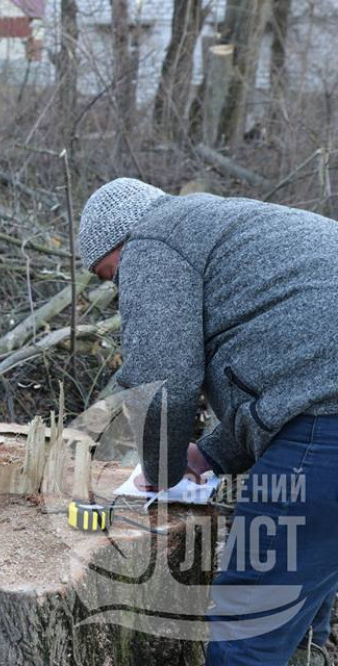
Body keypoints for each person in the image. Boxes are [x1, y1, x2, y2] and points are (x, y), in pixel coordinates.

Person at [77, 178, 338, 665]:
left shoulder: (154, 240)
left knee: (248, 634)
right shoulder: (226, 228)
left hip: (325, 426)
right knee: (301, 616)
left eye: (110, 275)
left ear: (121, 242)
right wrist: (210, 453)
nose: (118, 287)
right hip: (320, 409)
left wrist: (159, 475)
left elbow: (161, 383)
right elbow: (290, 375)